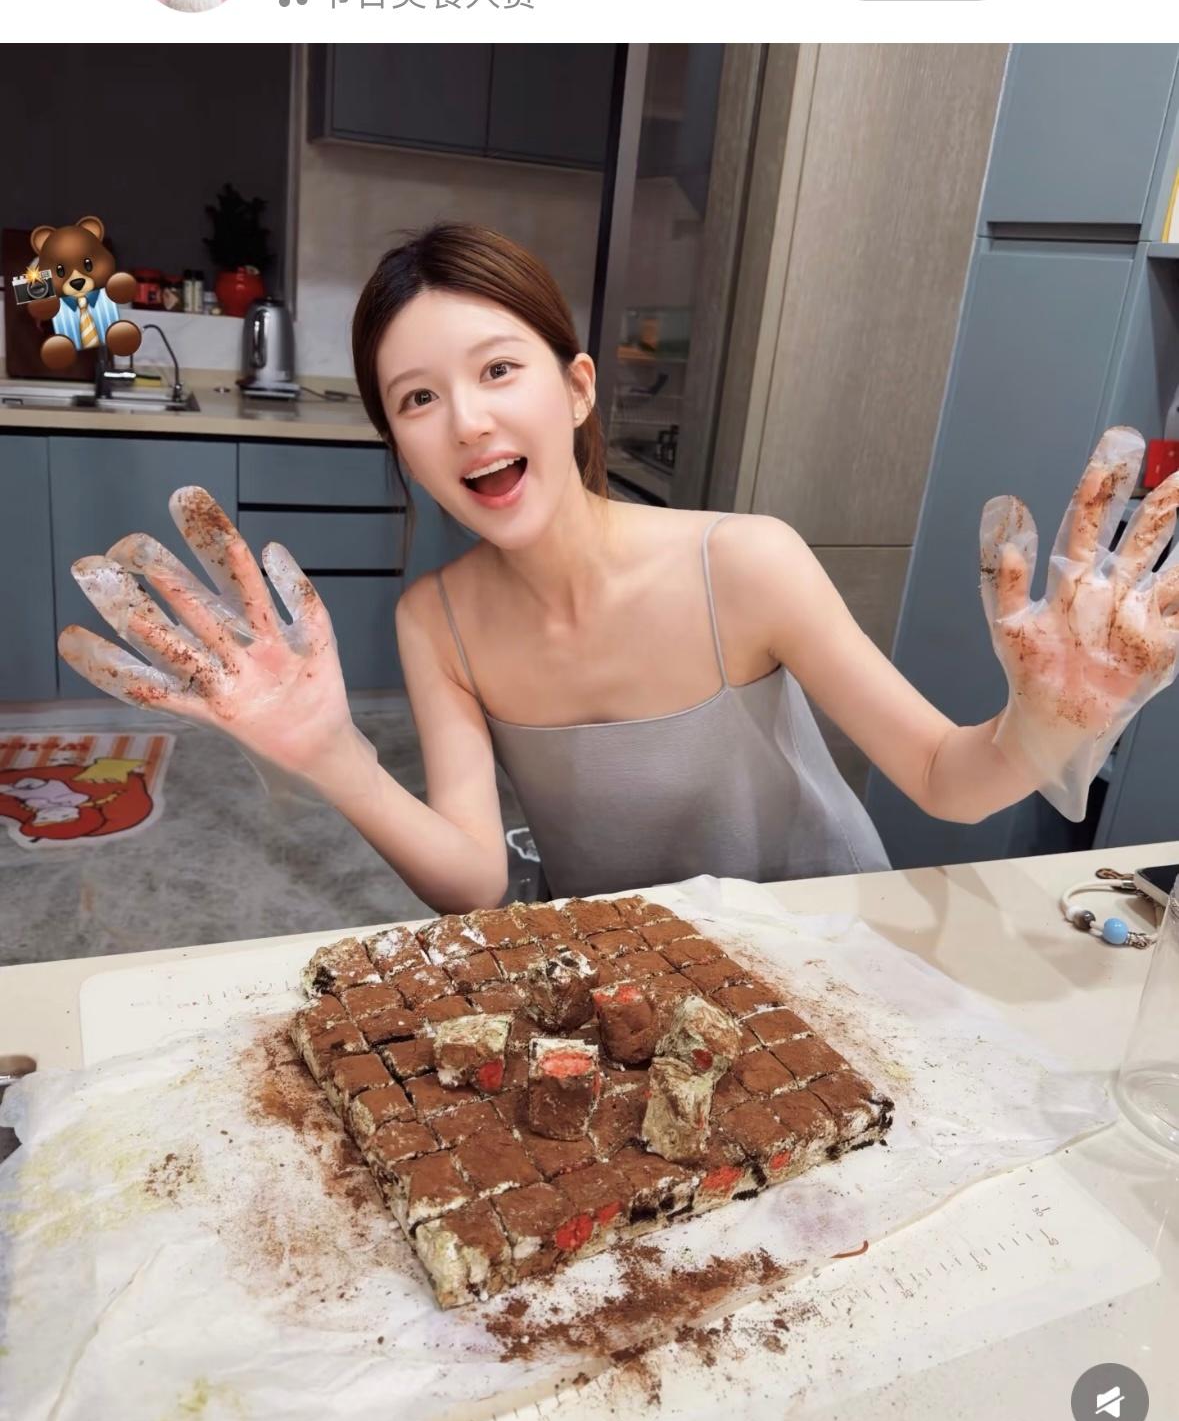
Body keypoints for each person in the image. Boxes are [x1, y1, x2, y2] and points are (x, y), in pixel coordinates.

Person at [59, 223, 1179, 910]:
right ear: (397, 439)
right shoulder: (436, 622)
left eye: (500, 370)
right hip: (630, 979)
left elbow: (942, 777)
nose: (467, 421)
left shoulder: (746, 563)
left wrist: (1043, 724)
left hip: (825, 949)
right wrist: (331, 756)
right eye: (418, 398)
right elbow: (477, 882)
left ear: (578, 388)